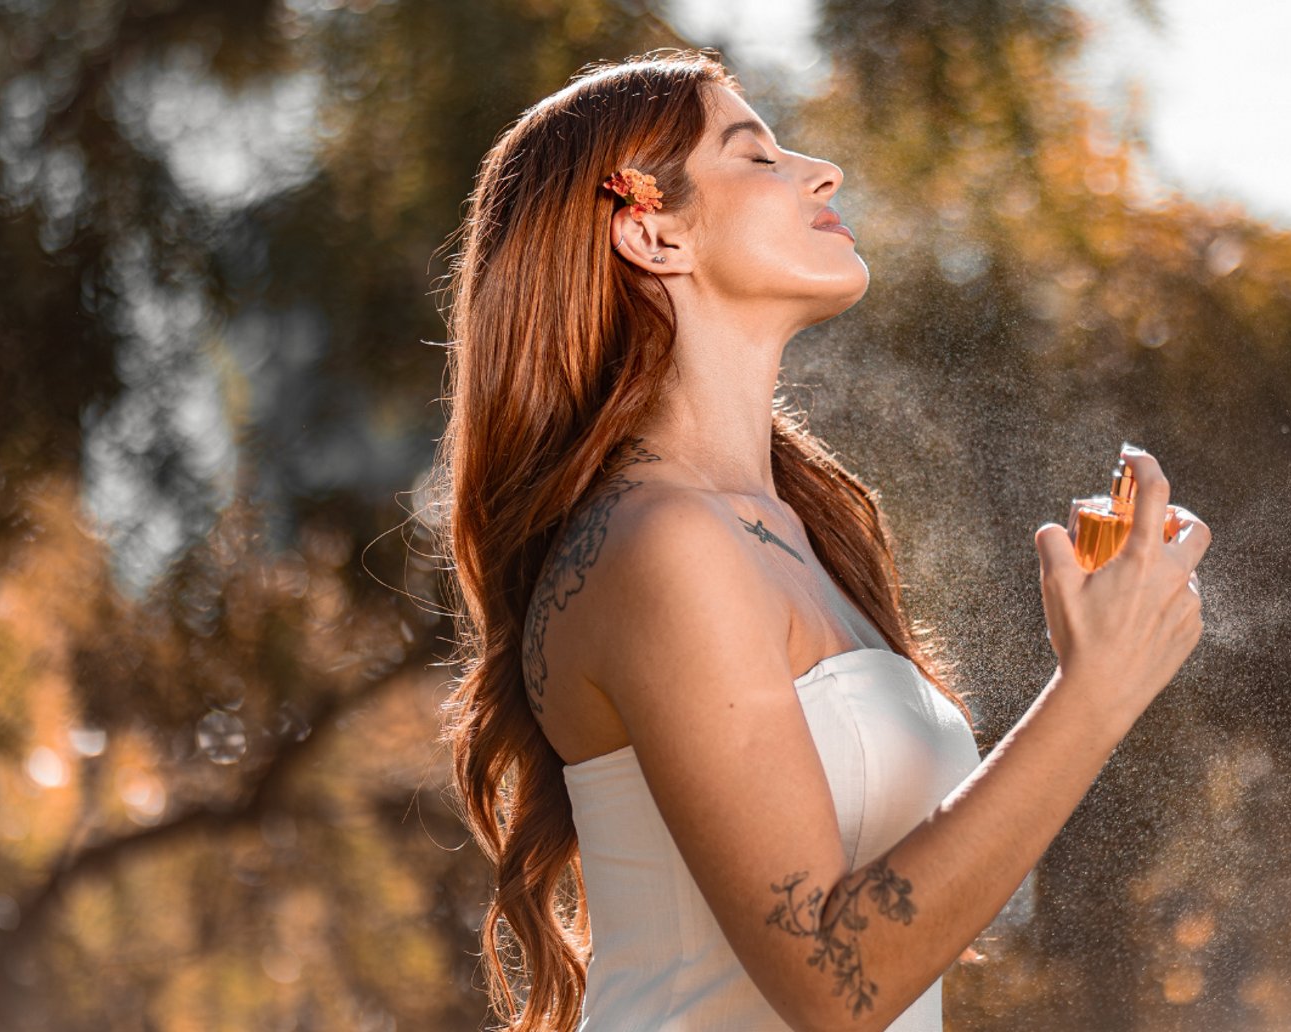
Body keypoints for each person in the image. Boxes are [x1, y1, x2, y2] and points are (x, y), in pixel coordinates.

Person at [425, 47, 1211, 1032]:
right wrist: (1095, 691)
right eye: (756, 156)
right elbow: (837, 983)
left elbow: (932, 913)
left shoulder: (801, 528)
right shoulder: (661, 541)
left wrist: (1095, 662)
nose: (821, 171)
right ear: (651, 232)